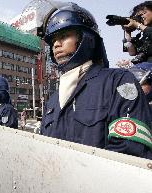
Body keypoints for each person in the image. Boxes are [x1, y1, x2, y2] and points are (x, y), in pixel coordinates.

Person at [39, 3, 152, 159]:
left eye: (64, 36)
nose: (56, 44)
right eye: (53, 41)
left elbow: (130, 152)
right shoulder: (52, 101)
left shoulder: (118, 82)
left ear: (88, 39)